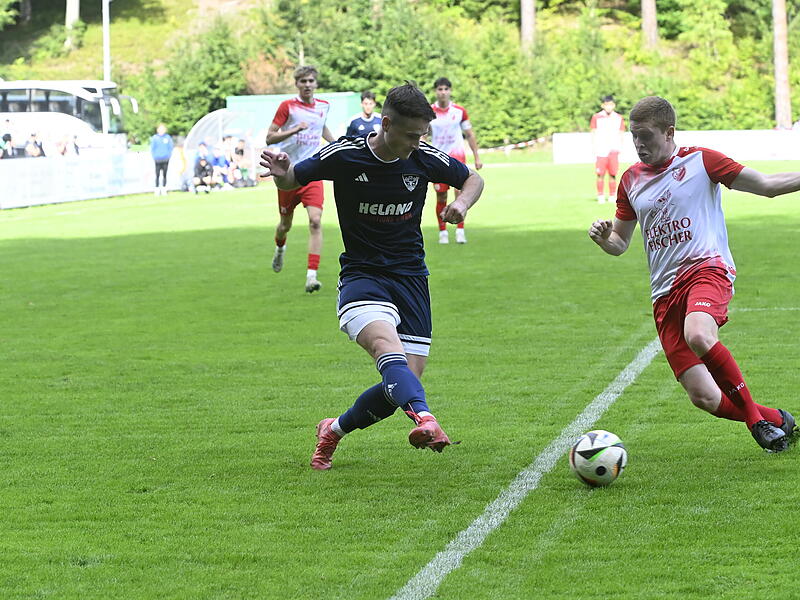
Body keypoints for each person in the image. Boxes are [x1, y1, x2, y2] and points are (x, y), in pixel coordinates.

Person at [259, 82, 484, 470]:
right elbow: (293, 176)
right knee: (387, 351)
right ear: (385, 124)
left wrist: (461, 203)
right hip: (363, 277)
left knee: (403, 380)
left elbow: (473, 179)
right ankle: (426, 418)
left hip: (412, 278)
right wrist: (282, 175)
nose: (418, 142)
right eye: (411, 135)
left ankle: (333, 429)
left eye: (423, 135)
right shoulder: (346, 154)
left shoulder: (423, 156)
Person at [588, 95, 799, 453]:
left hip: (706, 270)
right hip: (663, 294)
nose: (639, 144)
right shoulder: (630, 180)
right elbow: (620, 244)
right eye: (634, 136)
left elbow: (766, 186)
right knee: (704, 397)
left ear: (669, 132)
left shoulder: (702, 161)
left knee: (699, 333)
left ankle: (757, 424)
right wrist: (602, 237)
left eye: (647, 136)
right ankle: (778, 421)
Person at [266, 65, 335, 293]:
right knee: (285, 225)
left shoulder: (323, 106)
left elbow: (321, 127)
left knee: (315, 221)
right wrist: (294, 129)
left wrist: (336, 145)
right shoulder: (288, 106)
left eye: (311, 81)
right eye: (303, 81)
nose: (307, 85)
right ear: (297, 84)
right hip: (287, 174)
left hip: (312, 171)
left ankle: (311, 277)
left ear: (316, 84)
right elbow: (270, 137)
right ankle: (279, 247)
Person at [429, 77, 482, 244]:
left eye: (445, 89)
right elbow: (422, 134)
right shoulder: (429, 112)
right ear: (435, 91)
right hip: (437, 160)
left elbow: (470, 134)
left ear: (450, 91)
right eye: (439, 89)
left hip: (457, 158)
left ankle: (460, 230)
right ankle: (443, 232)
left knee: (460, 195)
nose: (443, 92)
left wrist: (477, 156)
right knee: (441, 196)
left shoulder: (459, 111)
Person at [591, 95, 625, 204]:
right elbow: (593, 132)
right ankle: (600, 195)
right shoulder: (597, 117)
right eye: (606, 105)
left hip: (614, 150)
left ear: (614, 105)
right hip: (601, 150)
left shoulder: (618, 117)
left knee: (613, 174)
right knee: (600, 174)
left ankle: (612, 195)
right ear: (603, 105)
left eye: (611, 104)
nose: (609, 107)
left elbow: (621, 133)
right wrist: (595, 147)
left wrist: (620, 146)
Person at [150, 123, 174, 196]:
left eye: (163, 129)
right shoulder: (155, 138)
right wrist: (154, 156)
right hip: (157, 159)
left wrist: (168, 155)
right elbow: (152, 148)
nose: (161, 131)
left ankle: (164, 188)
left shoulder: (167, 137)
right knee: (157, 174)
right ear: (157, 130)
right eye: (160, 129)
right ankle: (157, 189)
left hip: (165, 159)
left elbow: (171, 147)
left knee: (164, 174)